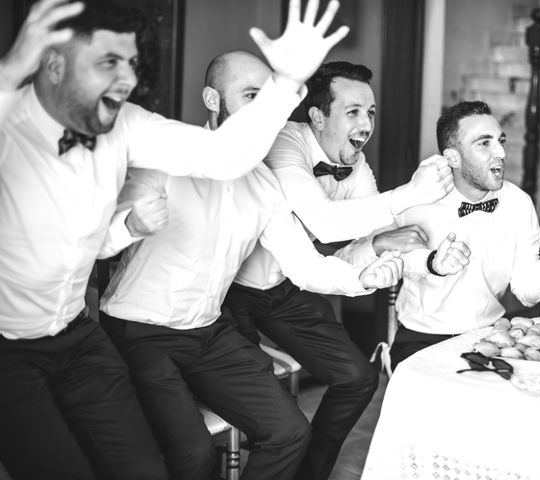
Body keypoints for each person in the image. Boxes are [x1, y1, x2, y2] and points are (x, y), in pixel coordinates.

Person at [0, 0, 349, 478]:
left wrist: (287, 81)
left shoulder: (129, 124)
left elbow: (225, 156)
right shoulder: (11, 122)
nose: (125, 77)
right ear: (56, 65)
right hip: (10, 349)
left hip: (78, 335)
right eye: (108, 62)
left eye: (131, 63)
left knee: (147, 470)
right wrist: (10, 72)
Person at [99, 49, 403, 480]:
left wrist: (361, 276)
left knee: (290, 433)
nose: (263, 115)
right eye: (250, 97)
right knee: (194, 454)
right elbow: (94, 248)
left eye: (269, 102)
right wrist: (130, 225)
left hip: (207, 331)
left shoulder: (265, 186)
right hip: (140, 329)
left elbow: (304, 265)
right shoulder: (165, 159)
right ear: (212, 99)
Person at [223, 60, 467, 480]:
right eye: (353, 111)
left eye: (370, 112)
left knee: (357, 377)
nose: (366, 123)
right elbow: (324, 222)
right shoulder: (285, 144)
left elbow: (374, 239)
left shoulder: (357, 165)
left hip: (288, 286)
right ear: (317, 116)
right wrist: (406, 195)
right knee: (265, 414)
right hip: (230, 294)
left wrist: (417, 257)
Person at [387, 100, 540, 371]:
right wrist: (428, 261)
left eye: (500, 141)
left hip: (491, 335)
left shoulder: (518, 203)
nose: (501, 152)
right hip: (422, 339)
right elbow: (383, 259)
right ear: (453, 157)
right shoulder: (414, 201)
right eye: (484, 143)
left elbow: (525, 292)